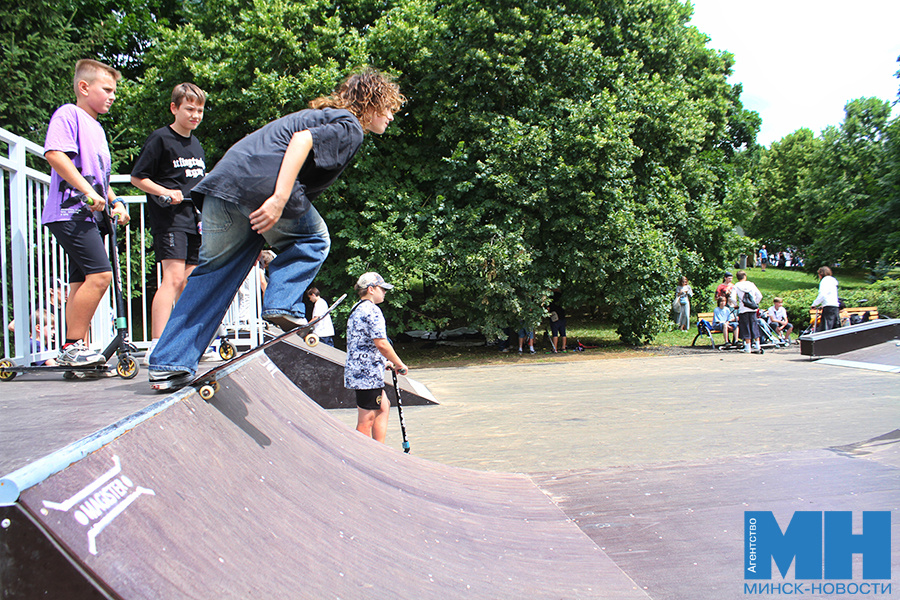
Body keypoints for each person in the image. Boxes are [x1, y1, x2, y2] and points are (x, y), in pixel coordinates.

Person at [148, 68, 405, 387]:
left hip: (221, 189)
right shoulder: (349, 125)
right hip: (261, 188)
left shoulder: (320, 115)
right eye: (390, 107)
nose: (392, 116)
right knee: (314, 239)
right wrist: (280, 198)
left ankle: (168, 363)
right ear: (370, 103)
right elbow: (302, 141)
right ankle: (282, 304)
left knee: (211, 277)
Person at [43, 59, 131, 367]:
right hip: (70, 212)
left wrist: (114, 200)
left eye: (114, 91)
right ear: (84, 87)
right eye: (106, 89)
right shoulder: (69, 114)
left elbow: (99, 178)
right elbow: (55, 154)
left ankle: (77, 351)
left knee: (81, 282)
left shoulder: (97, 128)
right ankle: (71, 346)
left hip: (89, 215)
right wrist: (88, 193)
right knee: (101, 275)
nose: (112, 96)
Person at [131, 83, 208, 365]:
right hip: (170, 219)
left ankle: (187, 341)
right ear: (174, 108)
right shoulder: (160, 139)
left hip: (195, 220)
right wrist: (164, 191)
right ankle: (157, 345)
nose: (195, 115)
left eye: (199, 110)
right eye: (189, 108)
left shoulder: (197, 144)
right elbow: (138, 177)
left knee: (191, 282)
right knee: (173, 279)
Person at [344, 272, 408, 443]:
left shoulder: (357, 308)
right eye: (382, 288)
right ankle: (362, 457)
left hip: (362, 370)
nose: (385, 292)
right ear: (371, 289)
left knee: (383, 405)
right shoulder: (373, 310)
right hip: (366, 375)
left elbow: (362, 343)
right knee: (366, 420)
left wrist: (383, 362)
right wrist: (398, 363)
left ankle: (379, 450)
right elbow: (381, 343)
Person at [730, 270, 763, 353]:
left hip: (743, 309)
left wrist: (736, 304)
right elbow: (759, 295)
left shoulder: (736, 286)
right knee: (754, 326)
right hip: (752, 309)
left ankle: (748, 347)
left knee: (746, 327)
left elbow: (732, 298)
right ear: (745, 276)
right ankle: (757, 345)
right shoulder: (751, 284)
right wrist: (755, 303)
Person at [811, 266, 840, 331]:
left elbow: (822, 294)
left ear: (821, 274)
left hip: (828, 307)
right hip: (835, 306)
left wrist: (814, 304)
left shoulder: (824, 281)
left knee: (826, 328)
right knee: (834, 328)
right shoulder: (833, 280)